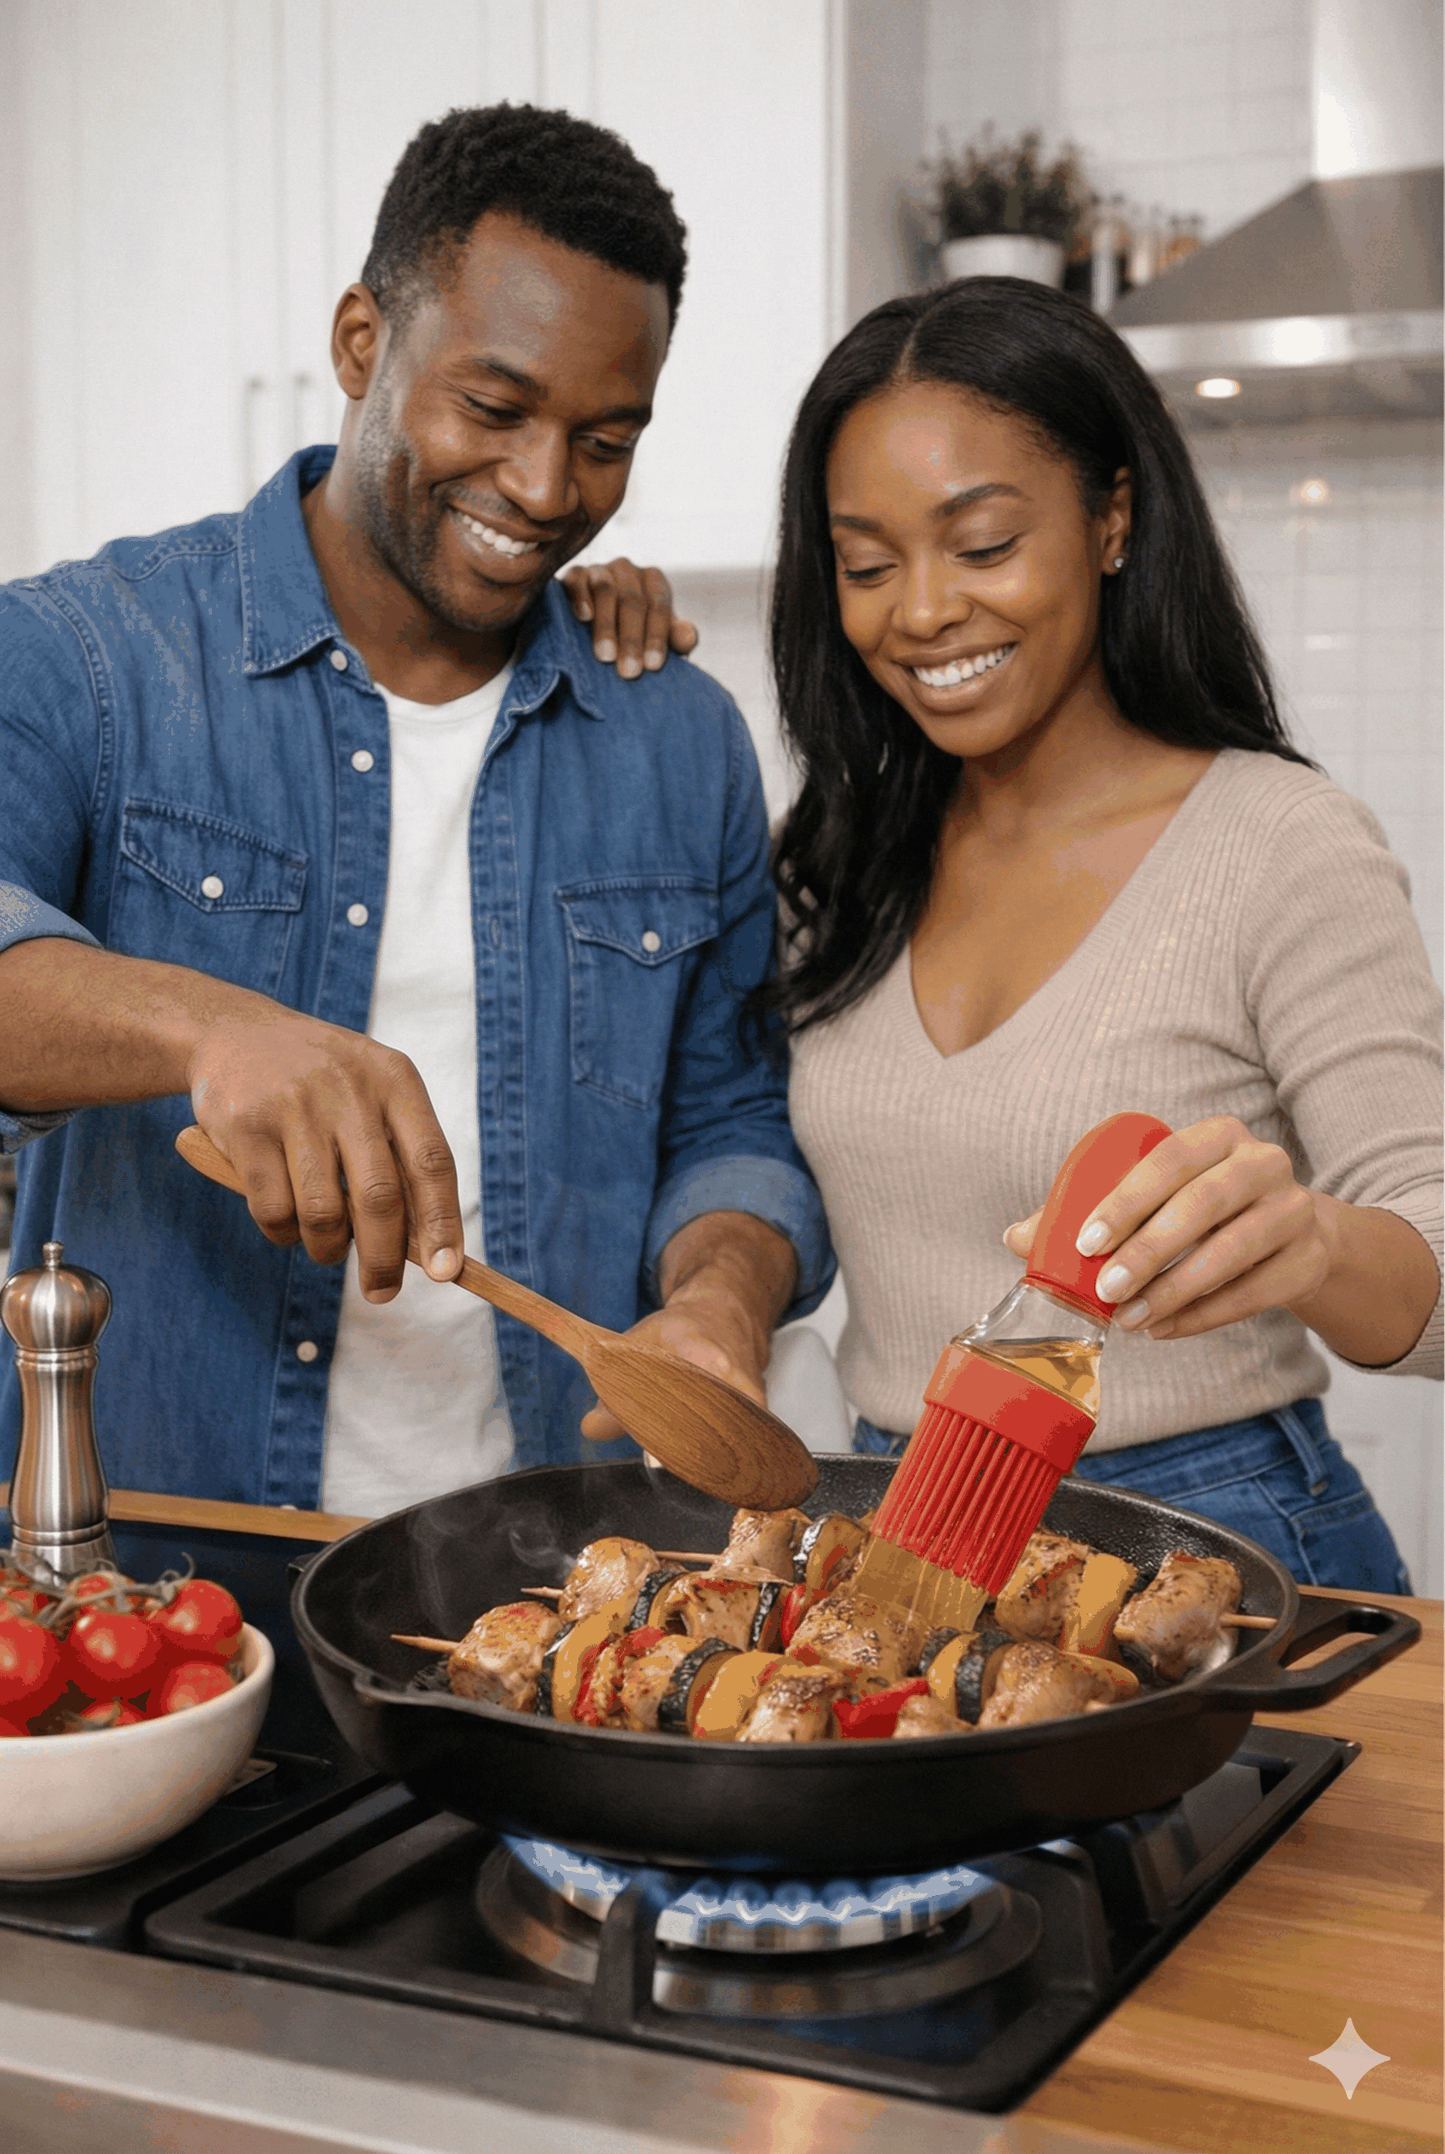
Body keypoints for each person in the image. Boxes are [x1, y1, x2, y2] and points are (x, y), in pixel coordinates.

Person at [0, 104, 831, 1515]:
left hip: (550, 1578)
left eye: (606, 438)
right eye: (495, 410)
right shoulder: (94, 652)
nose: (546, 488)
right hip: (165, 1571)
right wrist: (212, 1026)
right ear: (360, 343)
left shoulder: (678, 738)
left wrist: (719, 1304)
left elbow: (734, 1121)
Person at [756, 275, 1440, 1592]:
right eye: (868, 563)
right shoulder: (841, 858)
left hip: (1212, 1544)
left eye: (984, 542)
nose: (923, 612)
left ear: (1113, 517)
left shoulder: (1279, 842)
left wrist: (1311, 1239)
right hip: (897, 1536)